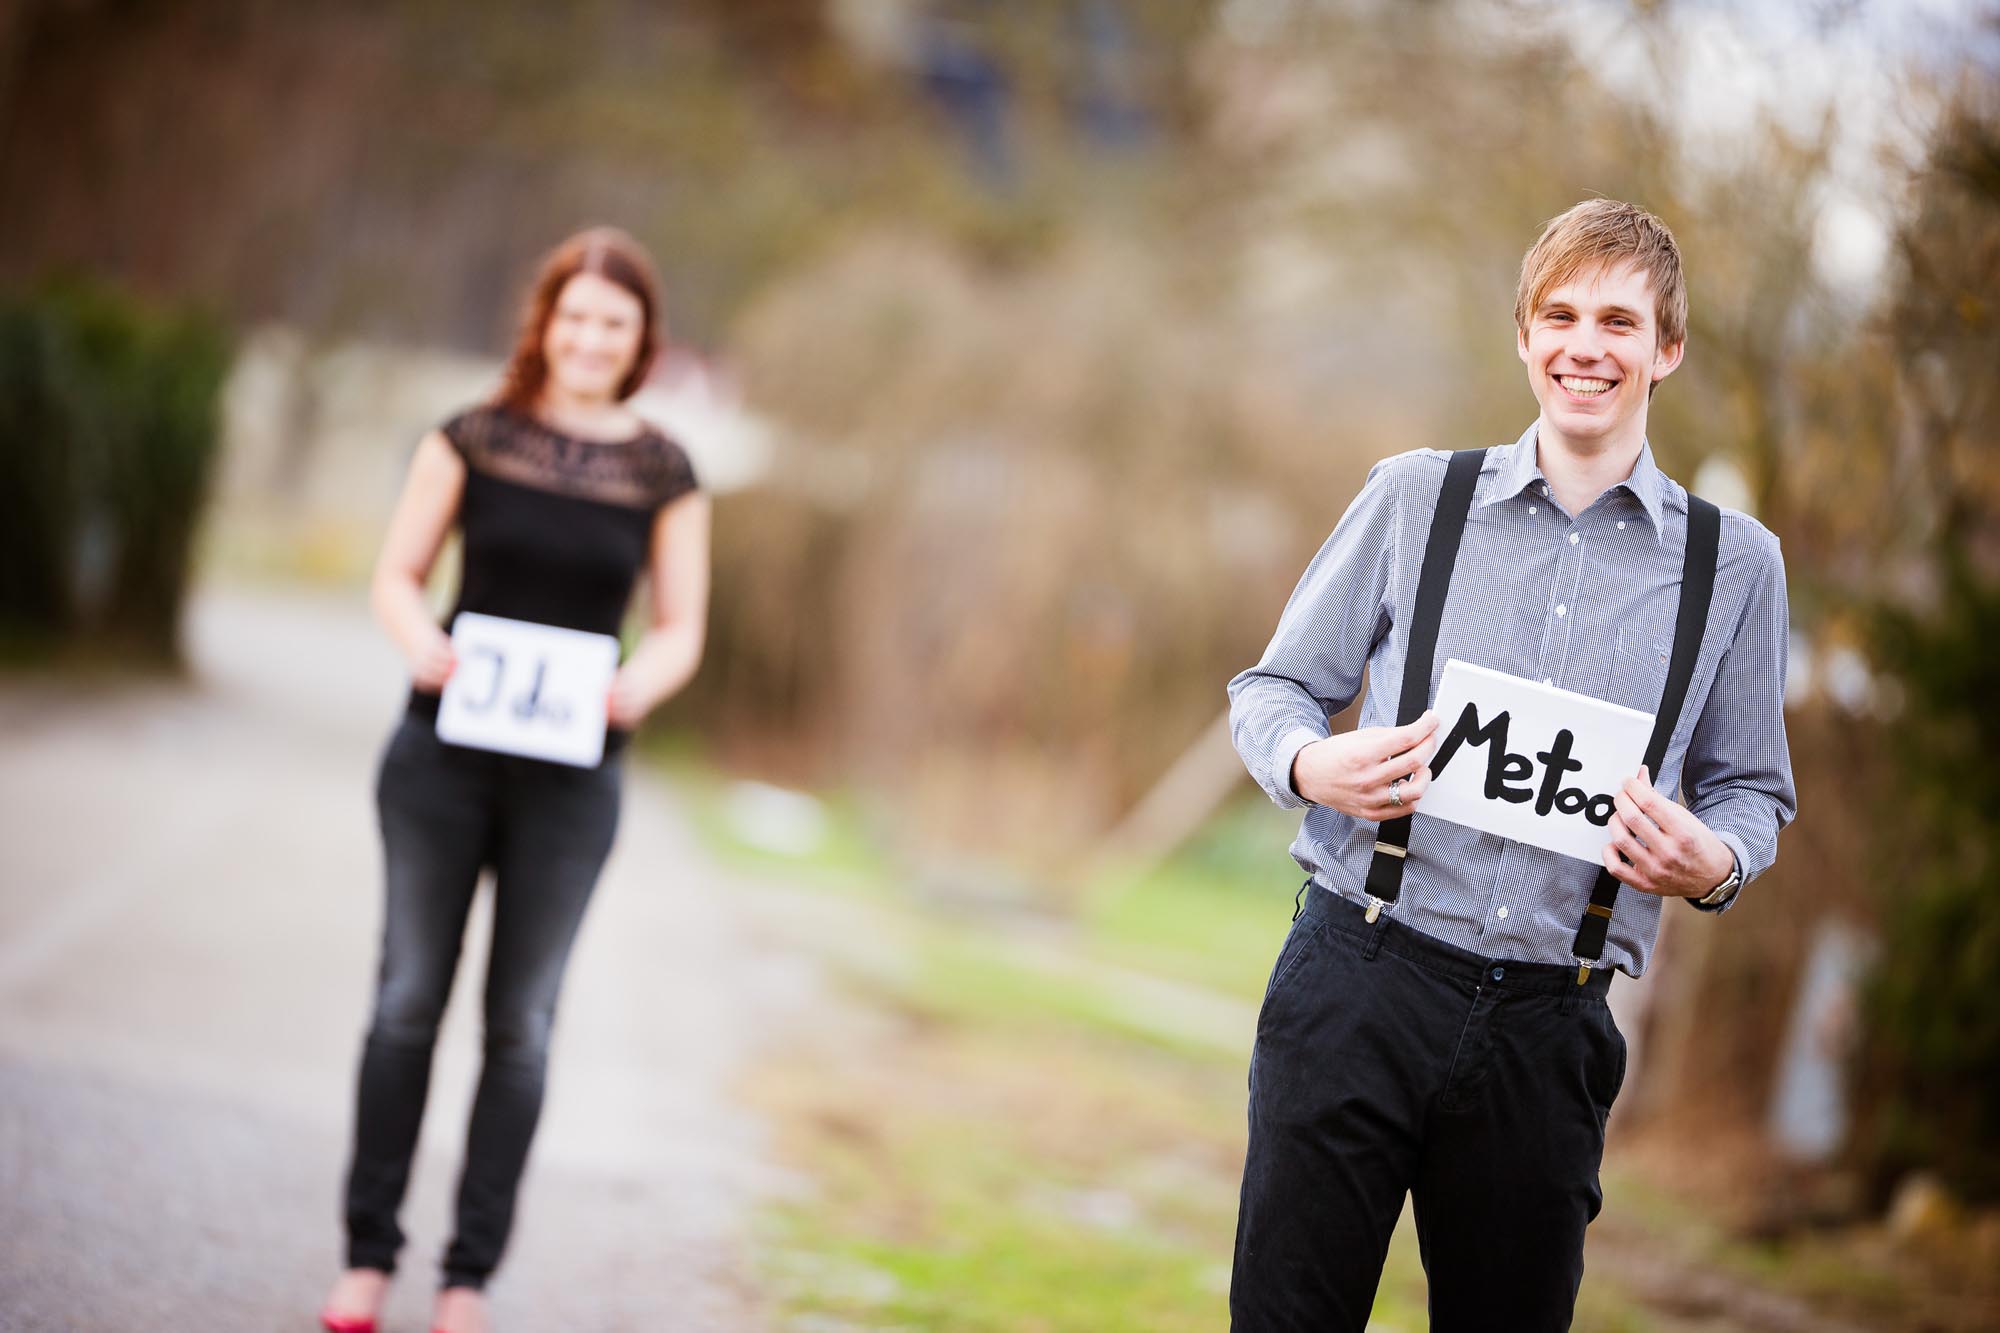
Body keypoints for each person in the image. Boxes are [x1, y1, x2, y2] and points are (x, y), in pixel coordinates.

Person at [1225, 199, 1796, 1330]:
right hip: (1357, 977)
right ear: (1524, 338)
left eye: (1619, 322)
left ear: (1665, 349)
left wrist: (1713, 857)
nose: (1586, 346)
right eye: (1560, 315)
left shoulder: (1735, 568)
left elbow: (1751, 791)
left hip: (1550, 1026)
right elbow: (1270, 690)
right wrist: (1309, 765)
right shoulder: (1413, 499)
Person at [319, 227, 710, 1333]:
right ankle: (364, 1259)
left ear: (641, 342)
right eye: (575, 316)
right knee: (404, 1004)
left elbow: (681, 627)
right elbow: (397, 576)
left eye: (614, 324)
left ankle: (465, 1280)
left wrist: (638, 686)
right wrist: (417, 643)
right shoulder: (470, 437)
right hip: (440, 761)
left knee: (521, 1025)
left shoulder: (663, 470)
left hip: (571, 783)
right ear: (544, 322)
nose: (590, 339)